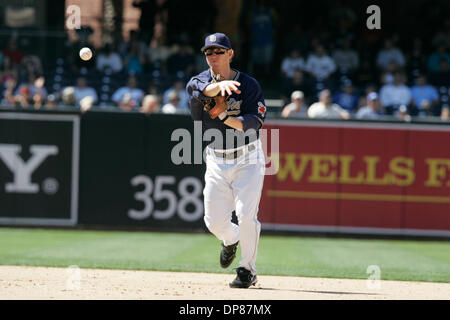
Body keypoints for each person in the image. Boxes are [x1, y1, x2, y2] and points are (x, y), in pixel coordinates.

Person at [186, 33, 266, 288]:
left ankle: (247, 270)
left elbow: (255, 122)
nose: (213, 56)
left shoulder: (249, 85)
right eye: (208, 52)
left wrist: (224, 117)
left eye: (219, 51)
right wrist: (217, 88)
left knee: (246, 215)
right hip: (217, 160)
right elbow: (196, 89)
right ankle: (231, 240)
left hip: (248, 157)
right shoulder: (200, 80)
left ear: (230, 54)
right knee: (214, 222)